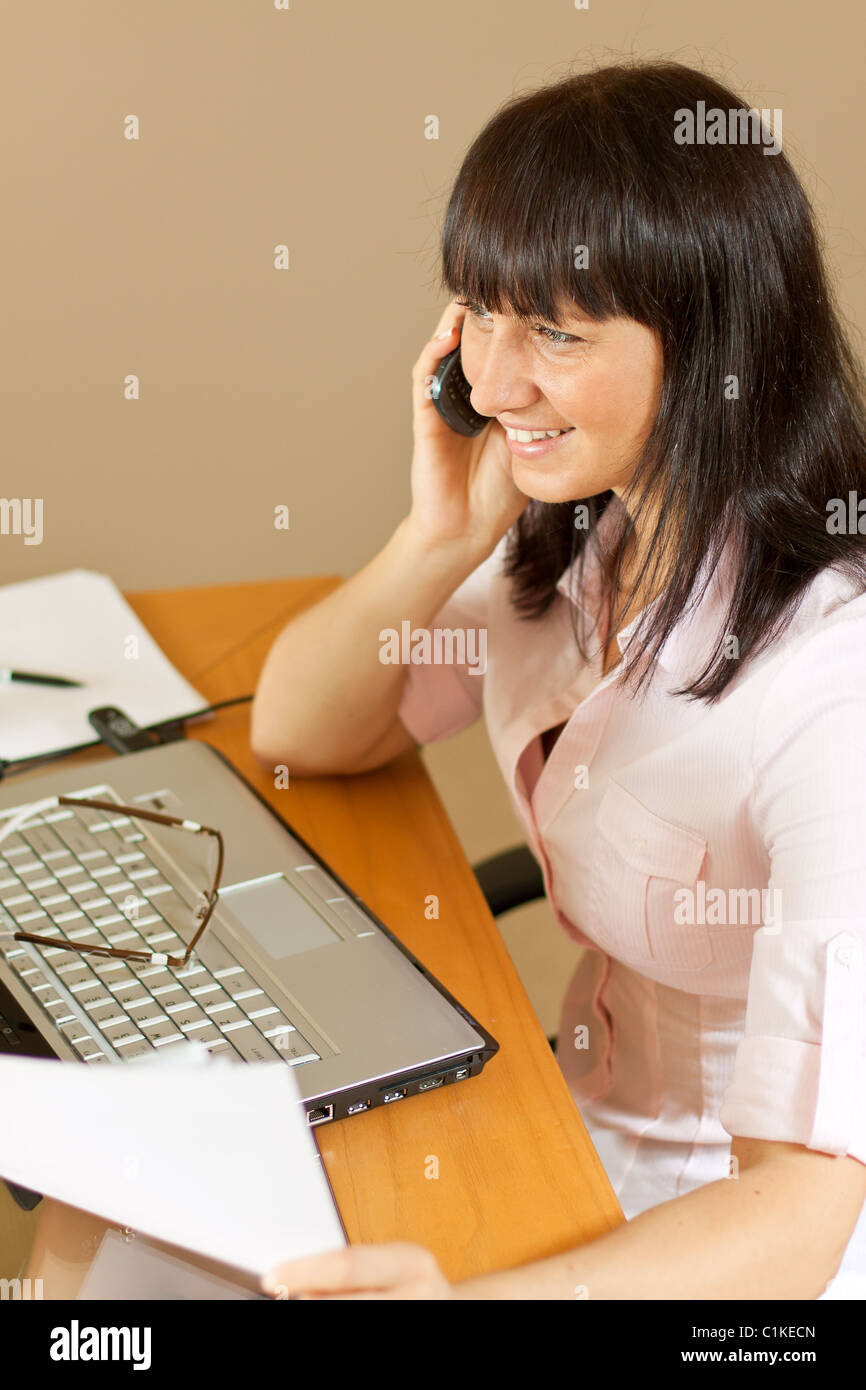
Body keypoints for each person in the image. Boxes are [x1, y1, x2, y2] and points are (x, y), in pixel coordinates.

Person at [250, 59, 866, 1299]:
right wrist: (436, 539)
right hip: (581, 1120)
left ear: (709, 350)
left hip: (745, 1244)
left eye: (553, 333)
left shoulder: (830, 692)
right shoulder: (590, 532)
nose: (489, 383)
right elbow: (301, 732)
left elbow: (798, 1211)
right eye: (476, 313)